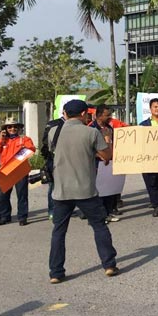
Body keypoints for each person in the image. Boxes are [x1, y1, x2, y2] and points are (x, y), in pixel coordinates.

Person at [48, 99, 119, 284]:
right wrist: (106, 139)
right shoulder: (91, 132)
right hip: (86, 190)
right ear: (82, 114)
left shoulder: (54, 132)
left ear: (65, 114)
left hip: (61, 191)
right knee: (99, 226)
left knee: (59, 232)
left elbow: (57, 151)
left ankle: (56, 272)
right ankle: (109, 265)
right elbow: (107, 155)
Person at [0, 118, 36, 226]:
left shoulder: (24, 139)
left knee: (22, 195)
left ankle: (22, 217)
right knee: (4, 196)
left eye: (15, 127)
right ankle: (5, 217)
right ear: (5, 129)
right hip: (6, 171)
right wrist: (1, 139)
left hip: (20, 171)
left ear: (19, 128)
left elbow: (31, 149)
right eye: (9, 127)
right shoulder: (1, 140)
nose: (12, 129)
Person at [90, 105, 121, 223]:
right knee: (98, 191)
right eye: (107, 115)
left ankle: (108, 212)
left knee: (109, 189)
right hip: (97, 163)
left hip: (109, 163)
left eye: (110, 115)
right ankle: (99, 215)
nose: (109, 117)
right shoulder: (91, 129)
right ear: (98, 115)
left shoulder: (109, 128)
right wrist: (100, 156)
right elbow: (89, 148)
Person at [41, 112, 66, 221]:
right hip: (54, 159)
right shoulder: (53, 124)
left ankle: (65, 209)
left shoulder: (77, 125)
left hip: (68, 160)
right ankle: (52, 211)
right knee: (53, 186)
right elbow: (45, 143)